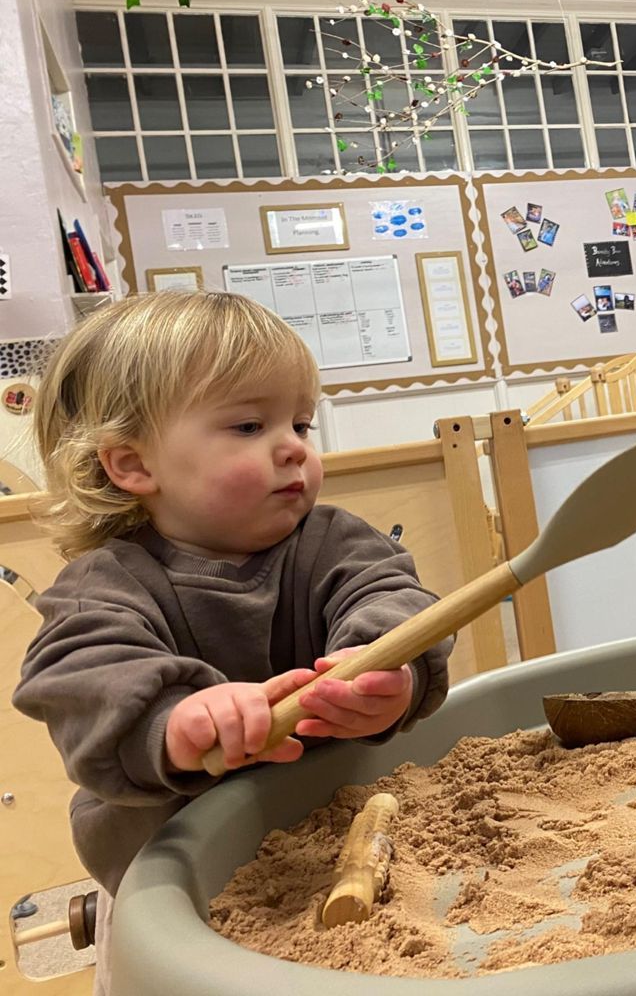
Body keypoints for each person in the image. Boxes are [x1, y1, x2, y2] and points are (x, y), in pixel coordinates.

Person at [12, 291, 453, 987]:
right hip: (177, 878)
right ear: (132, 465)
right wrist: (175, 720)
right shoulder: (104, 584)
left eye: (302, 424)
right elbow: (79, 677)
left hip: (329, 843)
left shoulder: (332, 541)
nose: (293, 448)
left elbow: (391, 596)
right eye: (249, 425)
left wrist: (386, 672)